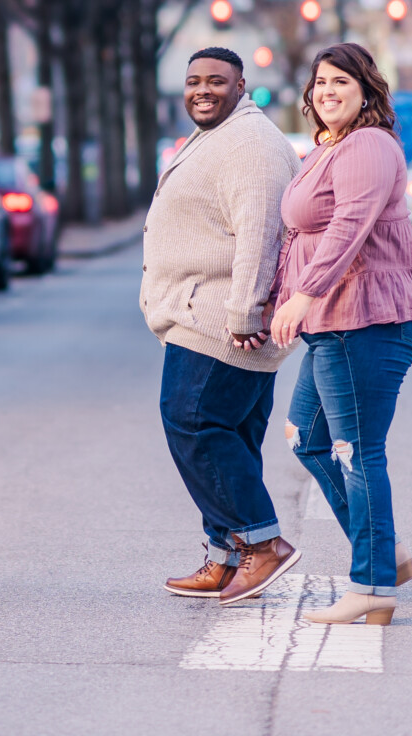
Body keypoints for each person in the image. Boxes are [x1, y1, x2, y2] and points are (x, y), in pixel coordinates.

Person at [269, 42, 412, 626]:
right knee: (308, 439)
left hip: (365, 319)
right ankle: (384, 553)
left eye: (341, 81)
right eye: (319, 83)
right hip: (333, 322)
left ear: (367, 89)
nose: (327, 92)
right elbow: (298, 239)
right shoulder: (325, 149)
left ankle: (371, 585)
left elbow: (348, 228)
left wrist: (306, 295)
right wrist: (276, 305)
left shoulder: (368, 145)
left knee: (357, 452)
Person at [141, 46, 304, 606]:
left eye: (216, 80)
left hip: (219, 317)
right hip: (209, 311)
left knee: (192, 420)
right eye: (193, 81)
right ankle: (226, 556)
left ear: (242, 86)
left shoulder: (250, 144)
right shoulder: (221, 136)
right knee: (232, 435)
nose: (202, 90)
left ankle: (262, 543)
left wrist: (243, 312)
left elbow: (260, 230)